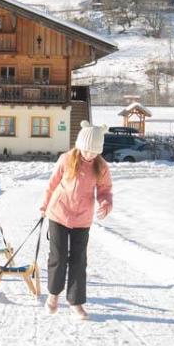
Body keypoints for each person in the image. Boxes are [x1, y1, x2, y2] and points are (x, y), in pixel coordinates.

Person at [39, 121, 113, 319]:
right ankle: (53, 295)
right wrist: (44, 206)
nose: (89, 155)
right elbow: (52, 183)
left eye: (94, 151)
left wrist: (106, 203)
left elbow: (105, 189)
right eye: (86, 150)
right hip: (58, 213)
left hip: (82, 218)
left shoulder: (101, 166)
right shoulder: (66, 159)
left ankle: (76, 302)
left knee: (79, 260)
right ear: (79, 145)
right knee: (58, 256)